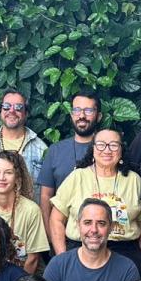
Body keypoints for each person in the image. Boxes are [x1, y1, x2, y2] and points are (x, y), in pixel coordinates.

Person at [49, 128, 141, 271]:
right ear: (93, 149)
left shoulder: (133, 180)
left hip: (125, 253)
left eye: (113, 145)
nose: (107, 150)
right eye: (101, 144)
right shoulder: (77, 177)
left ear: (121, 151)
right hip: (80, 250)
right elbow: (56, 219)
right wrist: (63, 258)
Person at [37, 91, 101, 230]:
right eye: (76, 110)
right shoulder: (55, 150)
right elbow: (45, 195)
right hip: (61, 233)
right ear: (71, 115)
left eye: (88, 110)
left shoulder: (107, 150)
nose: (82, 115)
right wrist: (49, 234)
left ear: (99, 116)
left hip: (99, 232)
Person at [0, 89, 48, 187]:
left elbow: (46, 193)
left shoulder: (41, 149)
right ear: (0, 111)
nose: (12, 111)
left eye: (18, 107)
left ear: (26, 113)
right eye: (6, 106)